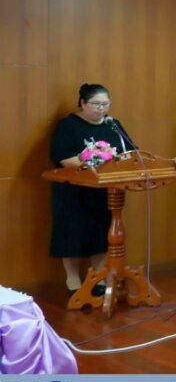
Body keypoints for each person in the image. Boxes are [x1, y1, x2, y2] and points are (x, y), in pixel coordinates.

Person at [50, 83, 136, 295]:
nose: (101, 108)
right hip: (74, 191)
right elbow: (63, 157)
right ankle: (72, 280)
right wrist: (93, 162)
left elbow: (130, 151)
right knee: (72, 234)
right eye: (96, 104)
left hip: (105, 190)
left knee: (101, 232)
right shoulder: (68, 125)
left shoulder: (113, 124)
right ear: (82, 103)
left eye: (105, 104)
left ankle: (97, 277)